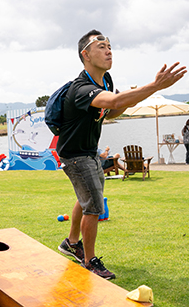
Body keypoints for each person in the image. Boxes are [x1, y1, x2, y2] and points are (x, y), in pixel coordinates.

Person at [57, 29, 186, 280]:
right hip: (75, 154)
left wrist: (126, 99)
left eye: (110, 46)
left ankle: (72, 242)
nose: (109, 51)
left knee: (88, 197)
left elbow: (111, 111)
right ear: (86, 54)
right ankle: (90, 261)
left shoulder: (106, 82)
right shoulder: (80, 88)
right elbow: (113, 103)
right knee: (93, 204)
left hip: (89, 150)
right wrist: (155, 86)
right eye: (102, 46)